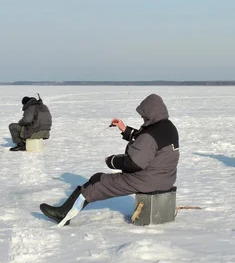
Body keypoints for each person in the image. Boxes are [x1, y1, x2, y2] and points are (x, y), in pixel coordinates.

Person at [40, 94, 179, 225]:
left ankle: (63, 214)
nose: (143, 118)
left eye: (144, 115)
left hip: (147, 180)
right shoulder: (167, 127)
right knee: (100, 180)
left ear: (151, 112)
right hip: (165, 178)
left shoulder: (150, 134)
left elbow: (135, 162)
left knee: (97, 181)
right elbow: (145, 143)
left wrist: (112, 161)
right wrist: (124, 129)